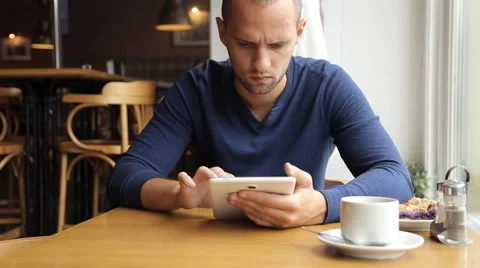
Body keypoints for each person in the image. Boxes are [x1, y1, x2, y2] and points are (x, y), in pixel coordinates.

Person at [108, 0, 413, 228]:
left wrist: (321, 205)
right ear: (223, 32)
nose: (261, 64)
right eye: (245, 44)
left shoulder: (328, 86)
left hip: (302, 249)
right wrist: (180, 195)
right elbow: (123, 176)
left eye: (278, 45)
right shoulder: (196, 89)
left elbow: (396, 178)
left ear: (299, 32)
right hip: (212, 246)